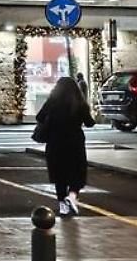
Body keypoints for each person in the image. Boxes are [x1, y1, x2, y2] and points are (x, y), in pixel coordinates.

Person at [36, 76, 96, 217]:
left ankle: (63, 204)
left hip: (55, 142)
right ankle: (72, 196)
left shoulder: (52, 102)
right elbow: (89, 123)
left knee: (60, 175)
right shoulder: (79, 103)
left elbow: (39, 117)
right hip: (75, 142)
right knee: (77, 172)